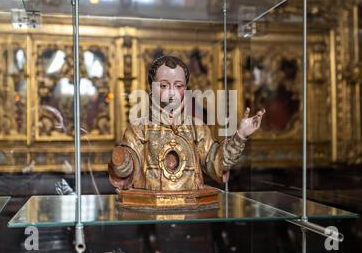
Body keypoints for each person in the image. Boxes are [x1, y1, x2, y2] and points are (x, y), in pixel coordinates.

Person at [108, 55, 265, 192]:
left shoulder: (197, 128)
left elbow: (217, 163)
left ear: (186, 88)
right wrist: (122, 162)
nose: (171, 92)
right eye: (163, 85)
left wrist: (240, 135)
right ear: (152, 86)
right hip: (150, 210)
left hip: (192, 209)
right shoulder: (139, 128)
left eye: (178, 86)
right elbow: (126, 170)